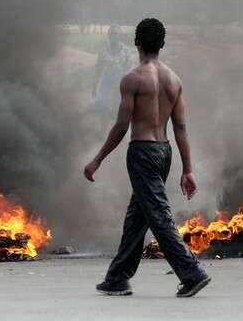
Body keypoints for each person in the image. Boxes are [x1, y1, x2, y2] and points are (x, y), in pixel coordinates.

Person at [83, 18, 211, 298]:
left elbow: (121, 126)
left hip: (141, 151)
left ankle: (192, 274)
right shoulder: (173, 80)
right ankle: (117, 277)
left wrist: (98, 159)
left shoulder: (133, 79)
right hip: (164, 152)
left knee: (157, 215)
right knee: (138, 215)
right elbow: (180, 128)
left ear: (137, 43)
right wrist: (187, 169)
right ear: (161, 44)